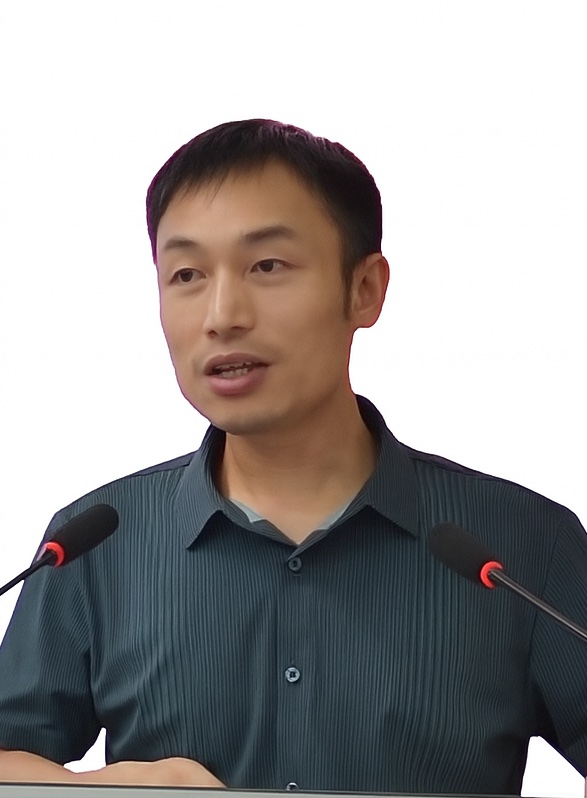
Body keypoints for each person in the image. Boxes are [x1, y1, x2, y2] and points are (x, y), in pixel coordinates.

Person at [0, 119, 586, 793]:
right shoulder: (93, 545)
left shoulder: (521, 545)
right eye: (186, 274)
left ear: (364, 290)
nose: (222, 314)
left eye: (267, 266)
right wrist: (106, 789)